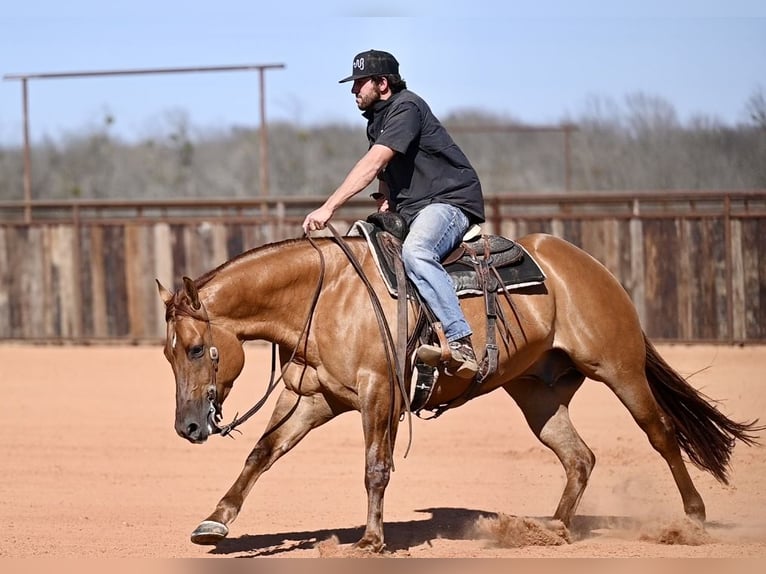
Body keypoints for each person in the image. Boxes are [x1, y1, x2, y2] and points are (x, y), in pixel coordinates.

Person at [302, 49, 485, 379]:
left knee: (416, 252)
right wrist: (385, 199)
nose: (353, 90)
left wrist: (329, 206)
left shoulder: (406, 107)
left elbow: (373, 163)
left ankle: (461, 342)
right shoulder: (377, 120)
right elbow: (386, 170)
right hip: (413, 208)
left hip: (447, 201)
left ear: (382, 83)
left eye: (359, 83)